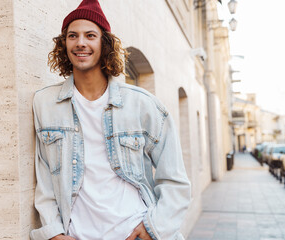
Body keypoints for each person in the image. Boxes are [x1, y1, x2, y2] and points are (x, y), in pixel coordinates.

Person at [30, 0, 191, 239]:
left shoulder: (143, 104)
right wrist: (54, 232)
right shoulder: (45, 103)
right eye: (72, 35)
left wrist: (153, 228)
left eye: (90, 35)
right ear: (64, 44)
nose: (81, 42)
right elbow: (44, 179)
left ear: (104, 44)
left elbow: (175, 180)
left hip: (133, 231)